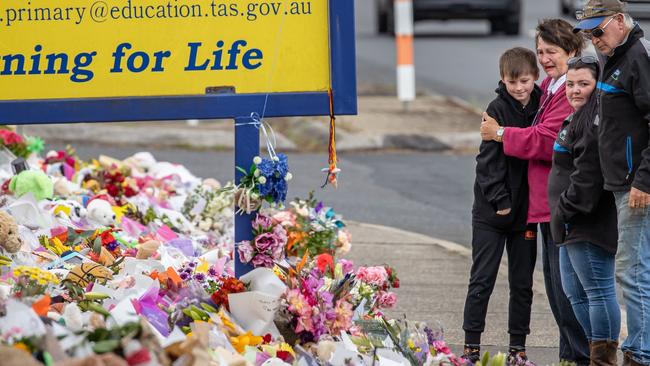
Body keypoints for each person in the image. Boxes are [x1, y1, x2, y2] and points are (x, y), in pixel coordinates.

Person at [480, 19, 590, 365]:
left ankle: (579, 356)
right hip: (543, 204)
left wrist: (500, 135)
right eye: (540, 51)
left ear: (571, 51)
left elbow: (545, 140)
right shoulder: (549, 86)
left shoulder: (567, 90)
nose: (543, 58)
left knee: (568, 291)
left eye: (551, 51)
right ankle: (569, 355)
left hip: (562, 203)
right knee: (557, 291)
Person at [574, 1, 650, 364]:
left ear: (619, 21)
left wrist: (644, 180)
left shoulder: (637, 56)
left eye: (597, 30)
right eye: (588, 33)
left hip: (637, 185)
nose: (593, 39)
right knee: (634, 271)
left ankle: (640, 353)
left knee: (633, 272)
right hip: (620, 182)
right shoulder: (615, 56)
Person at [461, 47, 542, 364]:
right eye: (512, 82)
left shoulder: (541, 105)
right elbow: (487, 165)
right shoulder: (496, 109)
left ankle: (517, 349)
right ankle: (470, 347)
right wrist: (501, 201)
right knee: (482, 279)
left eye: (524, 81)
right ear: (502, 80)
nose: (520, 88)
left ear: (534, 77)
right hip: (492, 214)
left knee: (523, 284)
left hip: (526, 215)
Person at [548, 56, 619, 366]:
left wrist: (563, 210)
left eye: (584, 84)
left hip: (586, 221)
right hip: (567, 222)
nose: (575, 90)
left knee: (598, 292)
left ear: (597, 87)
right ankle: (593, 352)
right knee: (575, 295)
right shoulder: (577, 116)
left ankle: (603, 359)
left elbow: (588, 176)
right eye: (571, 83)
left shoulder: (594, 122)